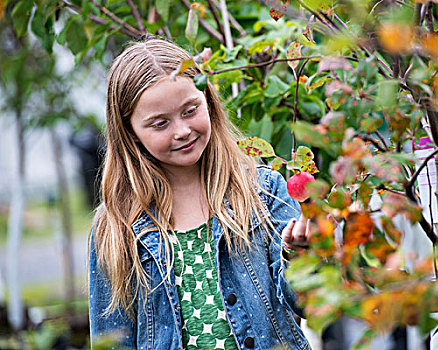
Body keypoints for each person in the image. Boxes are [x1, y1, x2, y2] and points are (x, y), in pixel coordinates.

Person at [88, 38, 312, 350]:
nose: (181, 131)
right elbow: (112, 341)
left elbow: (309, 305)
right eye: (160, 123)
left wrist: (301, 255)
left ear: (207, 100)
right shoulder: (115, 227)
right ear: (131, 134)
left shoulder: (262, 192)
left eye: (190, 110)